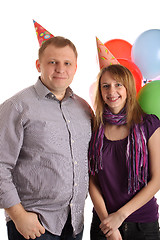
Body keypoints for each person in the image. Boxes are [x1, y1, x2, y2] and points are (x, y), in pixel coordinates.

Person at [0, 36, 93, 240]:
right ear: (38, 65)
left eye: (67, 63)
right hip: (34, 225)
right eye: (53, 62)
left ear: (75, 68)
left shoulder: (84, 109)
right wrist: (18, 216)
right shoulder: (17, 107)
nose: (60, 69)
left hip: (74, 223)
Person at [88, 64, 160, 240]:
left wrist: (120, 216)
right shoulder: (94, 128)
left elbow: (157, 179)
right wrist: (109, 225)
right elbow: (91, 180)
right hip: (104, 224)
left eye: (118, 84)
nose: (112, 91)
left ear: (128, 88)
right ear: (100, 91)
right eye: (106, 86)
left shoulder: (148, 125)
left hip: (143, 225)